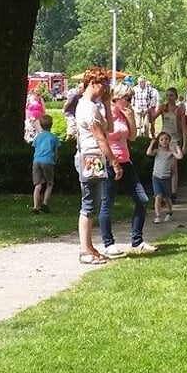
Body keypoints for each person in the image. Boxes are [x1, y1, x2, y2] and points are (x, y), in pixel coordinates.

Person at [72, 71, 116, 266]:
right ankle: (84, 250)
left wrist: (107, 104)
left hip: (92, 158)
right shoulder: (88, 108)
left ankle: (89, 247)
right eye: (103, 84)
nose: (105, 89)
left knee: (92, 204)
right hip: (90, 158)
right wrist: (113, 160)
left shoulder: (91, 106)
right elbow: (100, 137)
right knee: (89, 205)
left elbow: (110, 129)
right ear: (92, 83)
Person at [105, 86, 153, 255]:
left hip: (126, 161)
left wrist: (130, 118)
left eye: (130, 99)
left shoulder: (124, 113)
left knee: (142, 200)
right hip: (109, 162)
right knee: (107, 203)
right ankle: (108, 243)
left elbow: (132, 137)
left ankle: (137, 241)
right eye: (126, 98)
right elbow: (101, 138)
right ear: (116, 98)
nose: (128, 102)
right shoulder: (106, 113)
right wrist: (111, 160)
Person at [30, 114, 58, 214]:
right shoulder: (53, 137)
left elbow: (35, 148)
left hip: (36, 161)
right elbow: (55, 152)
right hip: (48, 161)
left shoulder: (38, 137)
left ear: (41, 125)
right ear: (51, 125)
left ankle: (35, 206)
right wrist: (55, 161)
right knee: (50, 183)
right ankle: (45, 204)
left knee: (38, 184)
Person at [150, 132, 179, 223]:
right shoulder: (157, 151)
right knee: (158, 197)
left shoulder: (170, 153)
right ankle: (158, 216)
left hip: (166, 178)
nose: (164, 141)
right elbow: (148, 153)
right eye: (162, 139)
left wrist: (177, 147)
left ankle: (170, 212)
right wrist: (152, 143)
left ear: (169, 141)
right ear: (159, 142)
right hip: (156, 177)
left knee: (167, 198)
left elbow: (180, 156)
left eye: (166, 139)